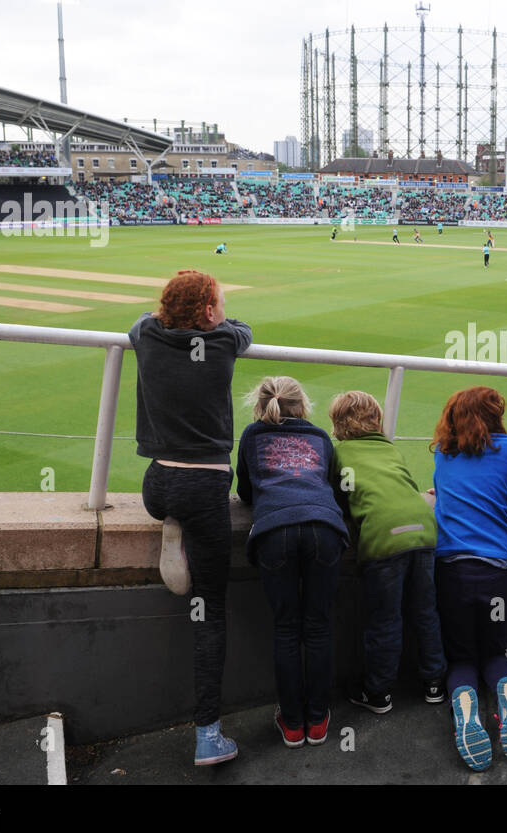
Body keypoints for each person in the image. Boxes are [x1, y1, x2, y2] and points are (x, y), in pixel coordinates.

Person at [130, 270, 251, 765]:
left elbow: (145, 321)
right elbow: (243, 330)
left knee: (171, 506)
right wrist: (223, 320)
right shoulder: (223, 341)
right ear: (207, 312)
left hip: (157, 486)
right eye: (219, 302)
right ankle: (208, 735)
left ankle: (170, 524)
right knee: (210, 614)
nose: (223, 309)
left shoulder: (147, 335)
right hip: (204, 490)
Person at [236, 376, 349, 749]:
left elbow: (245, 491)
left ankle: (293, 722)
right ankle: (317, 722)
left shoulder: (253, 435)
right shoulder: (320, 437)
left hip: (274, 531)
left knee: (286, 629)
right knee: (317, 626)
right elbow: (331, 487)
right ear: (302, 404)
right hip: (325, 529)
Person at [430, 386, 507, 771]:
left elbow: (445, 492)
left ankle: (466, 709)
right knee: (493, 650)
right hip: (498, 570)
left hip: (452, 569)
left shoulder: (442, 452)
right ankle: (506, 699)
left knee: (460, 656)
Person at [328, 390, 445, 714]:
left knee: (384, 620)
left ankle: (378, 692)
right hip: (423, 529)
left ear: (338, 423)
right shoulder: (390, 449)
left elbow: (341, 501)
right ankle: (434, 683)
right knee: (425, 613)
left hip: (384, 538)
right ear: (376, 420)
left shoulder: (340, 454)